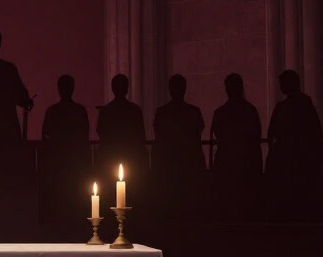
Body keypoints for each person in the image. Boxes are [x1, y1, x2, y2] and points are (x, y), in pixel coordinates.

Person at [265, 69, 323, 215]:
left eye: (282, 83)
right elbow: (316, 133)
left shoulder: (284, 107)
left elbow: (272, 132)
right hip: (300, 158)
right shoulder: (304, 105)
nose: (280, 86)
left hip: (289, 158)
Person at [39, 75, 91, 239]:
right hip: (74, 165)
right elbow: (84, 137)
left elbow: (45, 137)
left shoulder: (52, 111)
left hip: (58, 166)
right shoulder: (79, 111)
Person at [95, 75, 148, 233]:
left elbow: (101, 132)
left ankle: (113, 228)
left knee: (110, 196)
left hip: (109, 160)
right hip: (131, 160)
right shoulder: (134, 111)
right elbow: (140, 136)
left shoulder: (106, 111)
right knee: (131, 196)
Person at [210, 73, 263, 219]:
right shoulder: (250, 110)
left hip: (226, 162)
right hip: (247, 162)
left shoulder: (221, 112)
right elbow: (256, 135)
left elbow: (217, 133)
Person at [152, 75, 205, 221]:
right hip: (189, 164)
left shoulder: (162, 112)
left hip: (168, 165)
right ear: (184, 89)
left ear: (170, 89)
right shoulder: (193, 112)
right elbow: (198, 132)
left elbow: (159, 135)